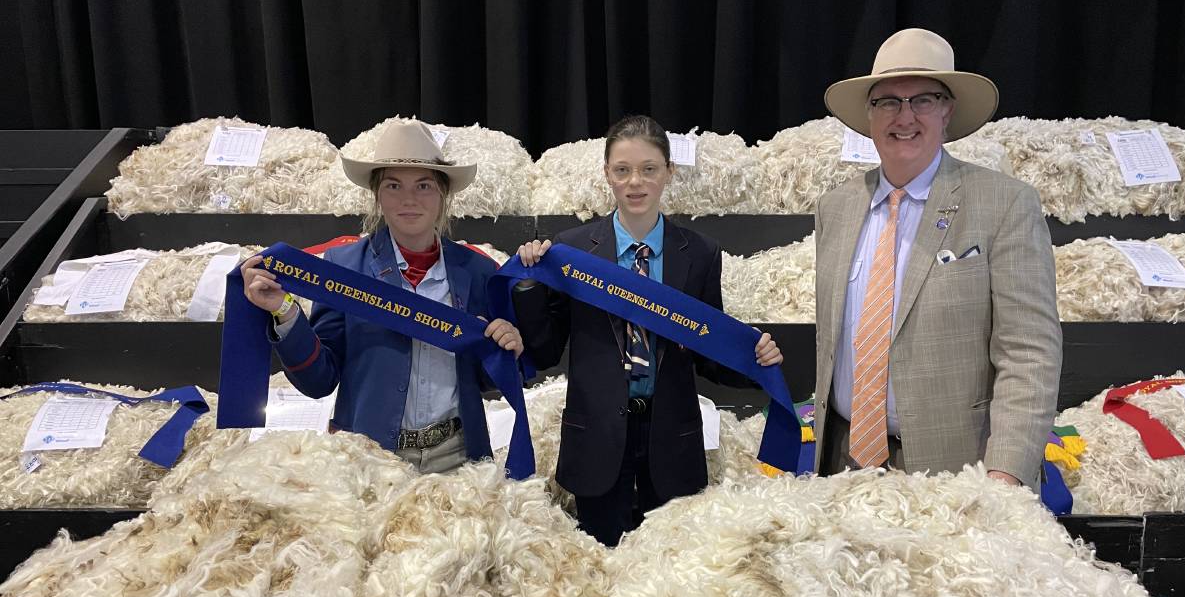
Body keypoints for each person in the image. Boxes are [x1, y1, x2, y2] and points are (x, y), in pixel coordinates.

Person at [512, 114, 783, 546]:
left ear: (669, 172)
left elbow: (705, 351)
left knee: (668, 573)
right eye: (622, 170)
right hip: (596, 441)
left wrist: (754, 358)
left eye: (649, 169)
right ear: (607, 174)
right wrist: (528, 284)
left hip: (671, 441)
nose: (635, 182)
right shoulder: (573, 250)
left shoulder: (699, 254)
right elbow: (545, 351)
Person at [814, 28, 1061, 488]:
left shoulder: (1004, 204)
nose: (904, 116)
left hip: (958, 475)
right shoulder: (836, 207)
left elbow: (1029, 353)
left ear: (948, 110)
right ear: (869, 116)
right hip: (844, 463)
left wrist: (1004, 476)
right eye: (887, 101)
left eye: (923, 99)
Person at [239, 121, 523, 474]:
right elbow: (319, 380)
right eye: (393, 185)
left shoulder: (477, 271)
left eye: (424, 186)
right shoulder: (344, 268)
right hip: (371, 458)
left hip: (458, 457)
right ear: (377, 195)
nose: (409, 199)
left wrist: (504, 351)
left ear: (443, 195)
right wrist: (284, 311)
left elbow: (483, 380)